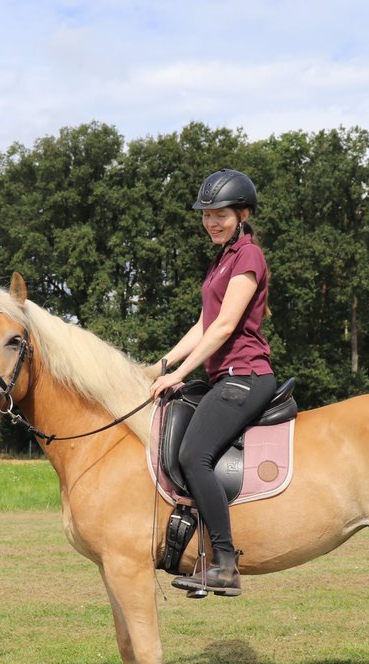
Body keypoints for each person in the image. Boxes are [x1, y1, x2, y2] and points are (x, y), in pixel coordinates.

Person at [150, 169, 276, 596]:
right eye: (206, 215)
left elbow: (223, 328)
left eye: (220, 214)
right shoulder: (222, 260)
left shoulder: (248, 257)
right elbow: (203, 323)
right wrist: (161, 364)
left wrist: (180, 375)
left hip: (246, 375)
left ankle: (224, 563)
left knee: (193, 454)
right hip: (223, 375)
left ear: (242, 214)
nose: (211, 222)